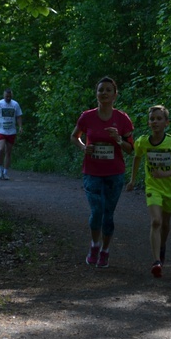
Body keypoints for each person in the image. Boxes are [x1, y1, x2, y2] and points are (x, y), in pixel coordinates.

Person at [70, 76, 134, 268]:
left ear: (115, 95)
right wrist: (83, 148)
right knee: (96, 210)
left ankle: (105, 250)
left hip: (114, 173)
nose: (104, 93)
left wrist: (119, 140)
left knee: (108, 213)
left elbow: (131, 149)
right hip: (92, 171)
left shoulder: (122, 119)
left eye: (108, 90)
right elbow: (74, 137)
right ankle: (94, 245)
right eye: (100, 90)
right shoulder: (87, 117)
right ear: (96, 94)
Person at [127, 105, 171, 278]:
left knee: (165, 225)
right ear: (148, 122)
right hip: (152, 187)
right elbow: (137, 157)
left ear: (166, 123)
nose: (155, 122)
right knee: (155, 221)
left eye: (159, 119)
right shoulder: (143, 141)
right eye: (152, 119)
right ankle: (156, 261)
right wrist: (132, 180)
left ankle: (161, 247)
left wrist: (164, 174)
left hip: (170, 189)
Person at [0, 89, 23, 180]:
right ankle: (0, 169)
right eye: (6, 96)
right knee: (1, 149)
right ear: (3, 95)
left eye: (9, 96)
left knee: (8, 152)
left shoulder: (15, 104)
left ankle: (5, 172)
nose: (8, 98)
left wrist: (20, 127)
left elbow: (19, 116)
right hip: (1, 130)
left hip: (11, 131)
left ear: (11, 96)